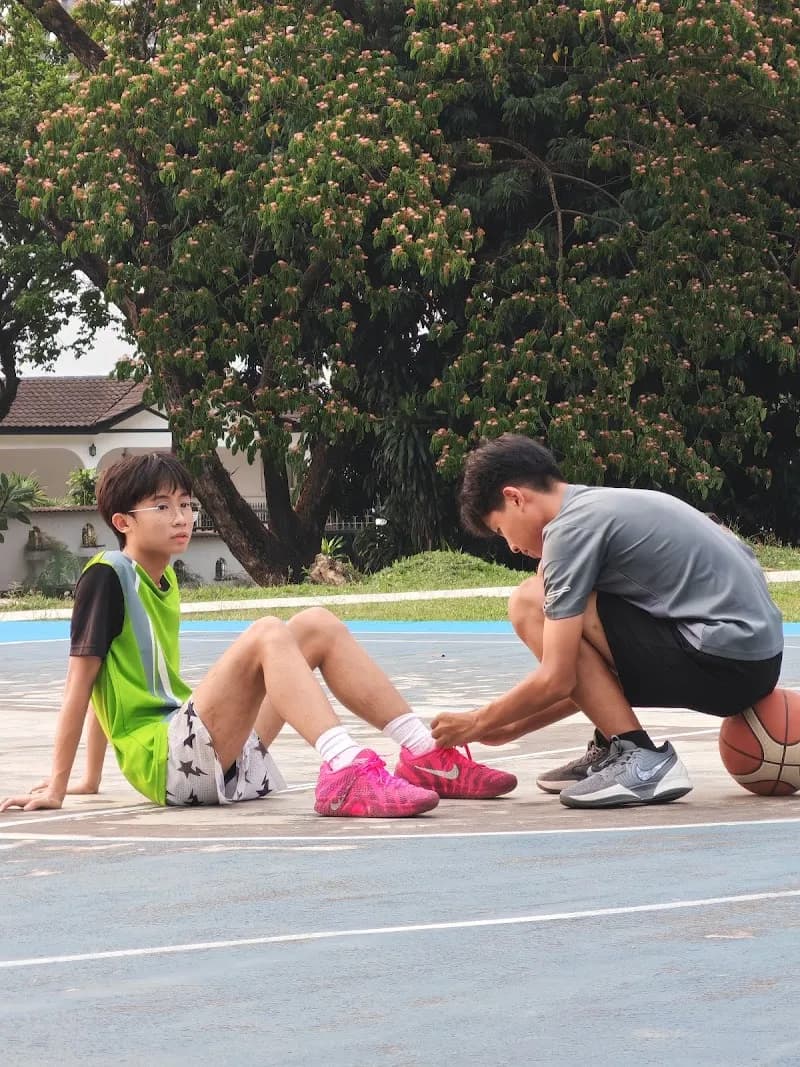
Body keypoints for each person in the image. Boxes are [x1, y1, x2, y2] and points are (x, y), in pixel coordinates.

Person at [0, 454, 516, 818]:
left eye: (186, 504)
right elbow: (81, 686)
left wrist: (93, 778)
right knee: (269, 632)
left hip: (206, 756)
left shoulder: (164, 578)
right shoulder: (107, 574)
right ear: (122, 521)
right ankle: (344, 768)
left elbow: (109, 680)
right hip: (169, 763)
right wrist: (64, 786)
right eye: (162, 506)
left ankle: (423, 754)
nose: (182, 518)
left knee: (315, 623)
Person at [430, 434, 783, 809]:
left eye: (502, 531)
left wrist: (477, 723)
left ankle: (640, 757)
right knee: (558, 606)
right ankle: (616, 746)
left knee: (529, 601)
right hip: (750, 660)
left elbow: (559, 677)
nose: (513, 547)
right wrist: (509, 728)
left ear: (515, 498)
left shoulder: (570, 530)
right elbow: (595, 680)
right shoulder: (601, 505)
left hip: (721, 657)